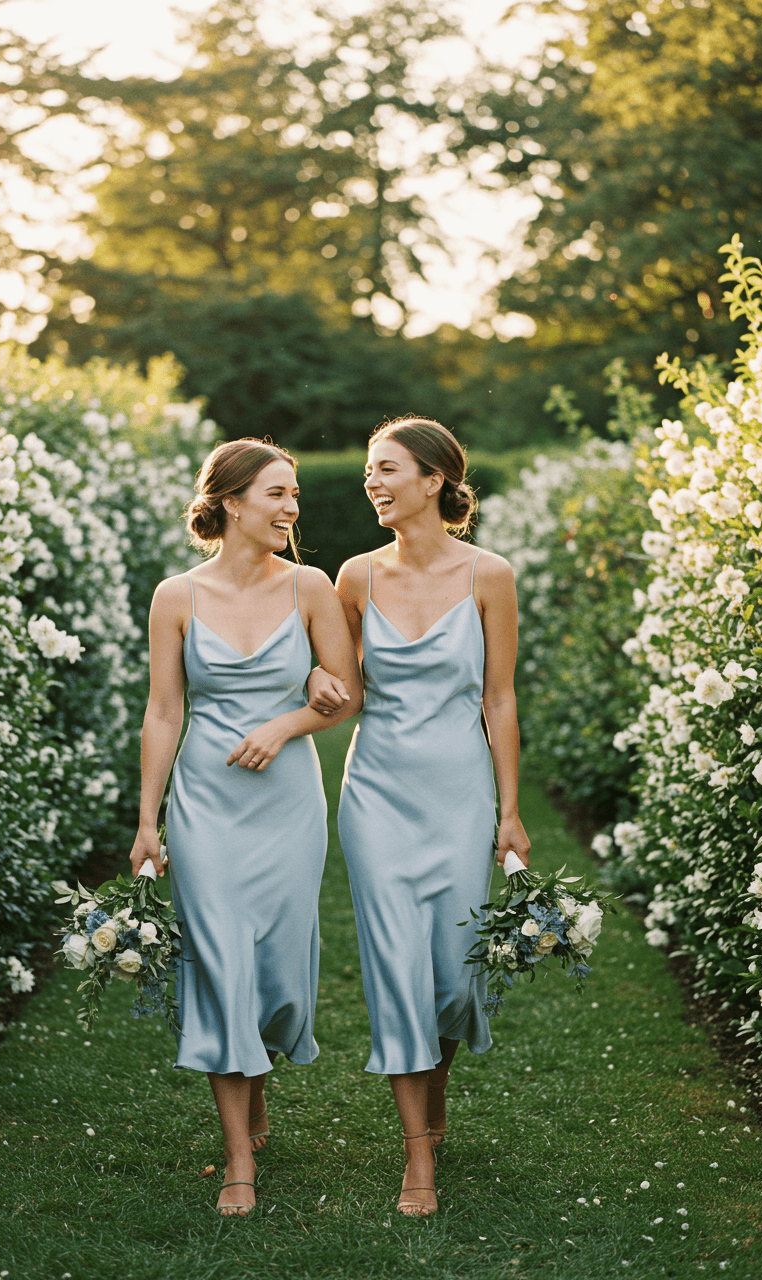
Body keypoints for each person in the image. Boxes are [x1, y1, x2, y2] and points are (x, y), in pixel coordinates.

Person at [129, 439, 362, 1218]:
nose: (292, 508)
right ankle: (237, 1159)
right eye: (277, 494)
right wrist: (147, 821)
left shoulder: (310, 586)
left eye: (294, 494)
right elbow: (165, 711)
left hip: (288, 801)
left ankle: (256, 1075)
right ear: (230, 501)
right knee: (220, 963)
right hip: (205, 802)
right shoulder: (175, 596)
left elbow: (345, 693)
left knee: (275, 977)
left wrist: (289, 723)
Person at [308, 416, 530, 1217]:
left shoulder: (490, 575)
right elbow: (346, 689)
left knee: (453, 974)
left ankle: (434, 1103)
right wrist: (312, 694)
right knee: (397, 969)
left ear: (433, 480)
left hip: (461, 792)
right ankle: (417, 1161)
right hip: (376, 793)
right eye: (369, 469)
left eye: (386, 468)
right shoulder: (355, 577)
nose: (372, 482)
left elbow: (499, 698)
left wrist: (509, 811)